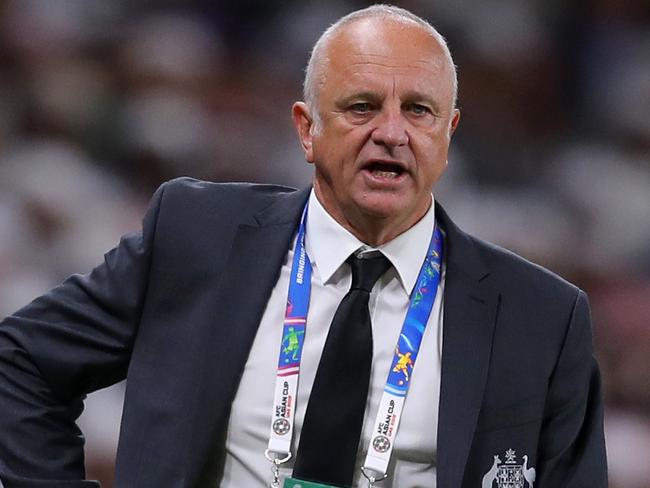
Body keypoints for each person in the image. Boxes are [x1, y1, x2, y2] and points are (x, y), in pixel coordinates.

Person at [0, 5, 607, 488]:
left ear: (448, 134)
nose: (391, 133)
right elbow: (20, 362)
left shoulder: (542, 318)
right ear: (306, 128)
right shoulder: (197, 237)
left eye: (418, 110)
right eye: (361, 107)